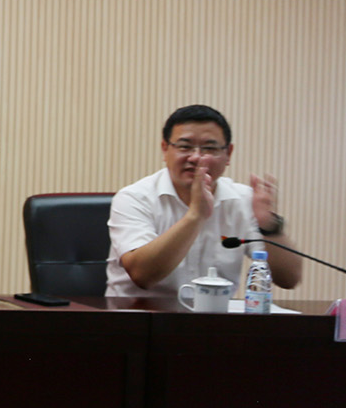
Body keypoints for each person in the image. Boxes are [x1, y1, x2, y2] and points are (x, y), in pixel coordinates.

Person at [105, 104, 301, 298]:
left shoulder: (244, 201)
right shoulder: (134, 198)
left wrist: (268, 226)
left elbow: (289, 279)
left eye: (209, 148)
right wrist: (195, 215)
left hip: (214, 316)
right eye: (184, 146)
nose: (196, 157)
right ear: (165, 149)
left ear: (228, 154)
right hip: (138, 314)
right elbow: (142, 275)